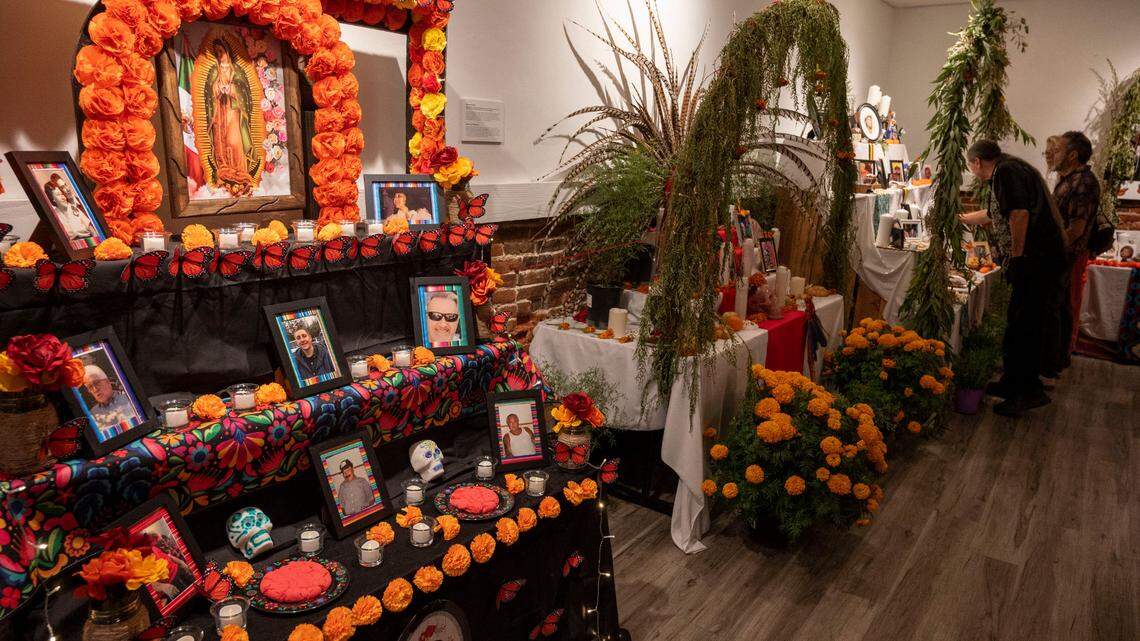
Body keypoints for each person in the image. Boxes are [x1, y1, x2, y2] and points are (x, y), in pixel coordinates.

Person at [960, 140, 1067, 417]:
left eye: (971, 167)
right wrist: (961, 218)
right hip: (1036, 260)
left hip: (1035, 261)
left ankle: (1028, 391)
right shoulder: (1008, 170)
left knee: (1027, 326)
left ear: (977, 162)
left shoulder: (1006, 173)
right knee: (1017, 322)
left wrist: (1018, 257)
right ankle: (1012, 382)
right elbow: (996, 215)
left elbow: (1019, 214)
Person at [1051, 131, 1101, 370]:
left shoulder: (1083, 182)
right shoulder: (1068, 179)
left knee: (1065, 307)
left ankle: (1057, 361)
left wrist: (1052, 251)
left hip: (1068, 256)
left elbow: (1076, 228)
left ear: (1072, 155)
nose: (1052, 153)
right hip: (1060, 255)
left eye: (1058, 150)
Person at [82, 364, 139, 437]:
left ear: (108, 382)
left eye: (97, 383)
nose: (95, 390)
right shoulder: (91, 416)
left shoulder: (131, 399)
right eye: (90, 387)